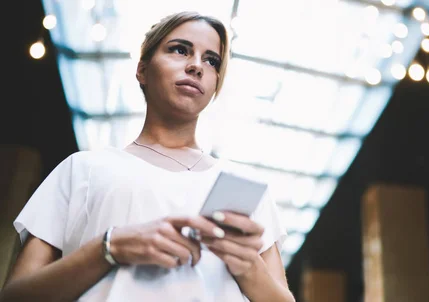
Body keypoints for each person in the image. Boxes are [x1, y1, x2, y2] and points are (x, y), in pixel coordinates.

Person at [0, 11, 294, 302]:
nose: (196, 66)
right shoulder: (82, 169)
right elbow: (16, 295)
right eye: (180, 50)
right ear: (142, 69)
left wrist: (248, 268)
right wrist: (109, 247)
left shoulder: (242, 186)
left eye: (211, 60)